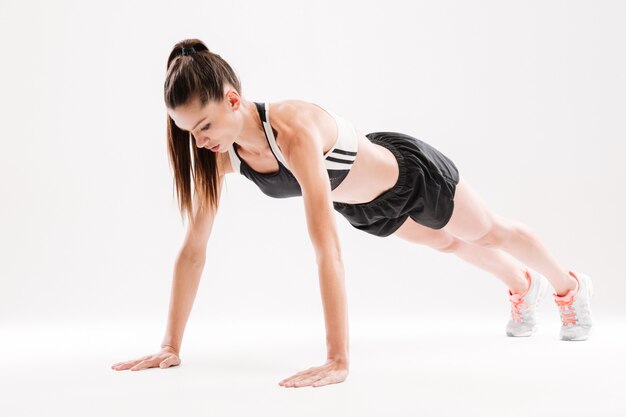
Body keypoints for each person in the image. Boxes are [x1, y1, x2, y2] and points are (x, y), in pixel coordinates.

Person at [111, 39, 594, 387]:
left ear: (233, 100)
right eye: (188, 132)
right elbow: (193, 251)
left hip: (412, 174)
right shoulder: (221, 157)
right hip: (367, 207)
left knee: (487, 231)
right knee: (447, 242)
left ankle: (567, 286)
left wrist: (337, 359)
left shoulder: (293, 130)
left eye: (204, 125)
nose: (200, 141)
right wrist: (170, 344)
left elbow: (325, 250)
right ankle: (521, 286)